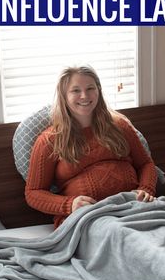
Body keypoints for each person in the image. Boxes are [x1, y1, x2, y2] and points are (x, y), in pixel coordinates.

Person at [25, 66, 157, 228]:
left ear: (98, 91)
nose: (84, 96)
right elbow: (33, 193)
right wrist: (69, 204)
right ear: (64, 97)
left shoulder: (120, 126)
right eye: (75, 90)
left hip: (132, 208)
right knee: (122, 235)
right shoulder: (49, 141)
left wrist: (146, 188)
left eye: (90, 88)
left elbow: (146, 164)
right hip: (88, 218)